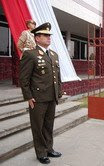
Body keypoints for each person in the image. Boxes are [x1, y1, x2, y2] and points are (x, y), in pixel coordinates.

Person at [19, 22, 62, 164]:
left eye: (49, 35)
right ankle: (41, 153)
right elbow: (24, 78)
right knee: (38, 126)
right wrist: (28, 96)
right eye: (45, 35)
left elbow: (57, 76)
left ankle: (49, 148)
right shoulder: (30, 55)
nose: (49, 38)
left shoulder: (54, 55)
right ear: (37, 38)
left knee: (48, 125)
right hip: (37, 98)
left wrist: (59, 93)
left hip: (51, 97)